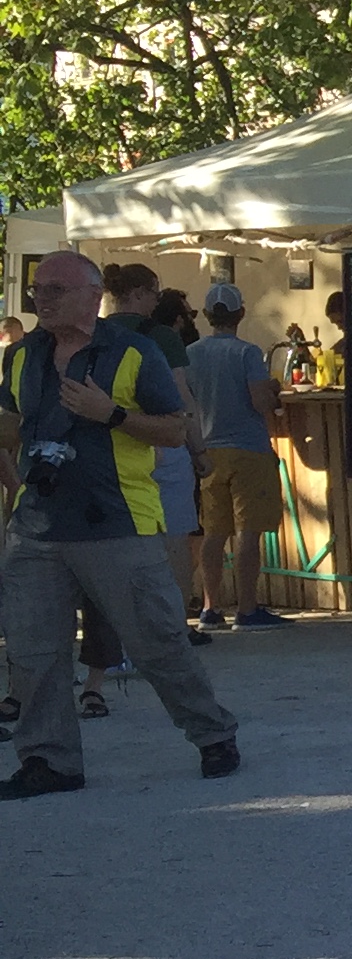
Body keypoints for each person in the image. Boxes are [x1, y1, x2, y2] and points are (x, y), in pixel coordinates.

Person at [0, 250, 240, 795]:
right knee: (34, 653)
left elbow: (174, 430)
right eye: (37, 289)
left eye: (55, 290)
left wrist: (109, 414)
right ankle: (49, 761)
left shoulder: (134, 351)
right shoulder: (22, 355)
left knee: (158, 643)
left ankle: (213, 734)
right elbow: (12, 423)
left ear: (92, 296)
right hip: (37, 525)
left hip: (117, 523)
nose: (41, 299)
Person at [104, 264, 207, 639]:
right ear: (138, 293)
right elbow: (182, 397)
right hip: (161, 439)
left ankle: (121, 628)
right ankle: (175, 625)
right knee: (175, 536)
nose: (156, 301)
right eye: (154, 293)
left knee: (116, 543)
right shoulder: (161, 336)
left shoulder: (95, 333)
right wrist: (199, 449)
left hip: (111, 447)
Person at [185, 283, 285, 628]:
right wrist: (273, 392)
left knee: (214, 533)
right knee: (247, 532)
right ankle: (247, 608)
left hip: (208, 449)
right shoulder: (247, 353)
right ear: (240, 313)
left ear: (207, 314)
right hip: (248, 448)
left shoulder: (191, 353)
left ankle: (211, 608)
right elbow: (260, 402)